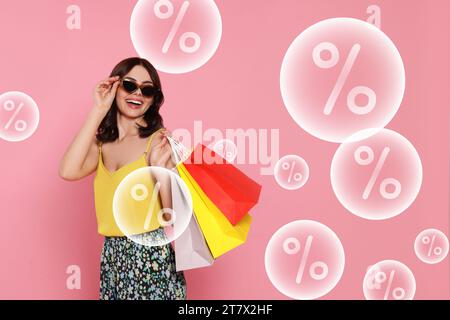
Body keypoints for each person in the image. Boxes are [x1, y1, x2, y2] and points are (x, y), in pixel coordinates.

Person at [59, 57, 186, 300]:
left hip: (151, 259)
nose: (137, 93)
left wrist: (163, 170)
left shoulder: (158, 142)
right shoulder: (102, 143)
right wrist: (98, 109)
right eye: (129, 85)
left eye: (147, 89)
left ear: (153, 99)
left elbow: (173, 216)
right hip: (112, 256)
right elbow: (67, 170)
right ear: (114, 87)